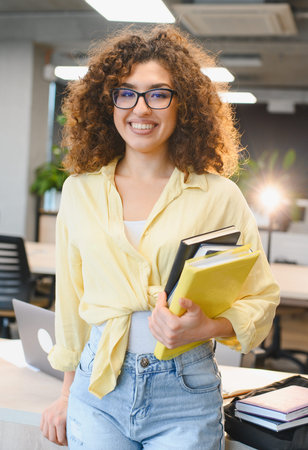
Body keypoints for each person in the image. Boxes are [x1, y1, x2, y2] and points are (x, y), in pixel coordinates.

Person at [40, 26, 280, 449]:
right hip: (98, 389)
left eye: (158, 93)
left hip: (185, 391)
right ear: (108, 102)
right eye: (126, 93)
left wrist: (207, 327)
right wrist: (65, 392)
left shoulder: (219, 195)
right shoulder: (80, 191)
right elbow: (73, 301)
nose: (141, 108)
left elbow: (260, 299)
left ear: (181, 103)